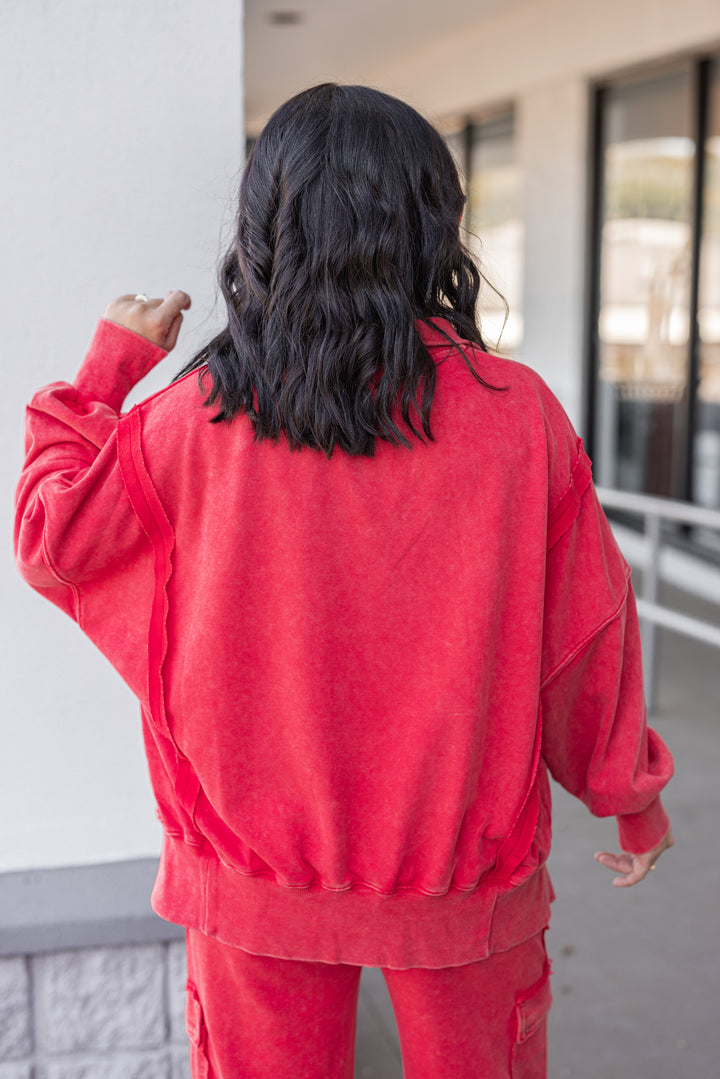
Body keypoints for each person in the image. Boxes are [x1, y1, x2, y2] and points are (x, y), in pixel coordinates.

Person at [14, 83, 673, 1079]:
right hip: (465, 875)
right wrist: (628, 793)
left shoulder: (191, 419)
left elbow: (53, 538)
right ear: (433, 221)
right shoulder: (517, 417)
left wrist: (105, 374)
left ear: (267, 221)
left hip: (247, 872)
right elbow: (586, 627)